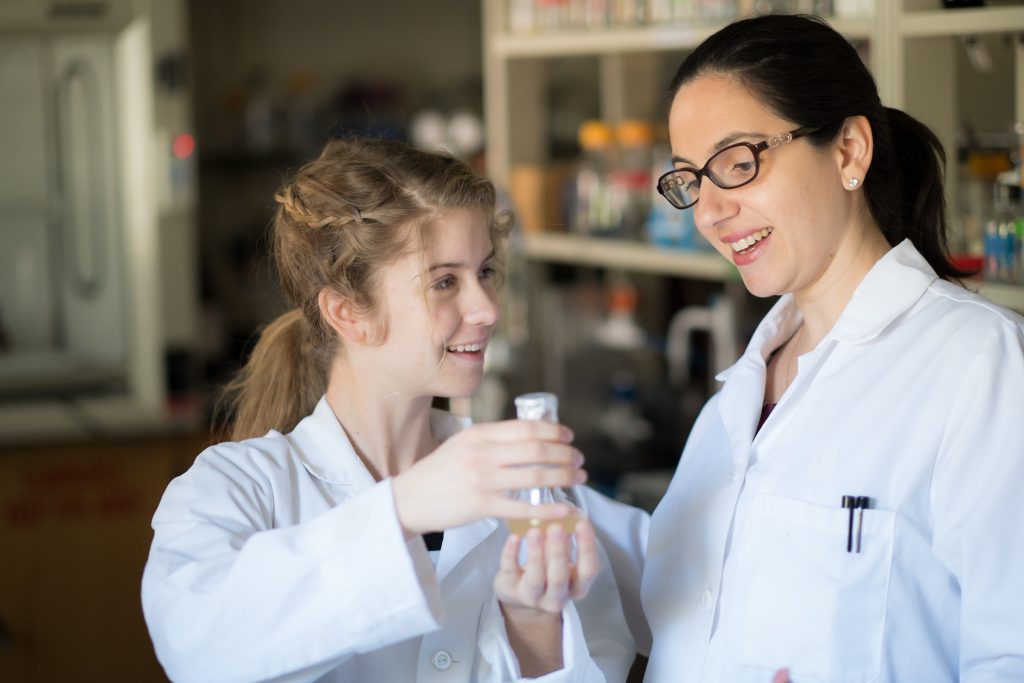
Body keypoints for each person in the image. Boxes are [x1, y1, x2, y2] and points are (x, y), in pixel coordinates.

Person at [141, 138, 648, 682]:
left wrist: (534, 627)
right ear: (348, 312)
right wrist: (406, 506)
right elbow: (197, 646)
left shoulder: (523, 486)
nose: (486, 308)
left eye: (486, 273)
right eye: (445, 282)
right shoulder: (233, 489)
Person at [642, 13, 1024, 683]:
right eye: (690, 180)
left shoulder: (977, 364)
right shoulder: (740, 390)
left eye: (738, 162)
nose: (708, 210)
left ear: (848, 149)